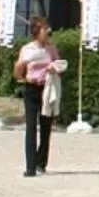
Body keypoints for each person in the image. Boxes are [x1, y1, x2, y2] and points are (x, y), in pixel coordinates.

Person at [12, 18, 65, 177]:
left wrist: (55, 68)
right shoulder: (27, 49)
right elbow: (18, 68)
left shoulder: (51, 49)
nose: (47, 32)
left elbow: (59, 64)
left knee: (46, 126)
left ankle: (41, 162)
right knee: (31, 127)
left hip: (47, 87)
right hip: (32, 88)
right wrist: (21, 76)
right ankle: (30, 166)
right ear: (36, 32)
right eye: (44, 29)